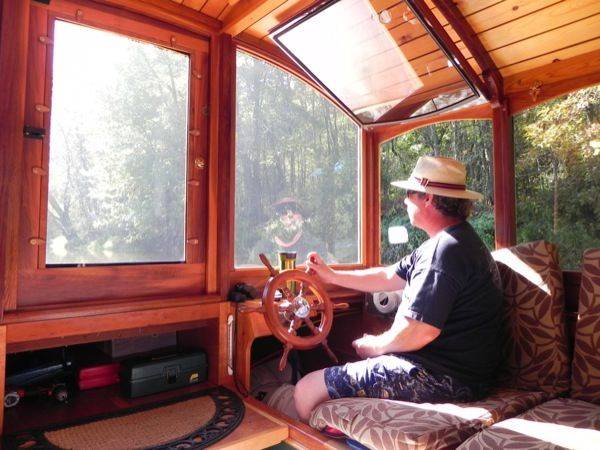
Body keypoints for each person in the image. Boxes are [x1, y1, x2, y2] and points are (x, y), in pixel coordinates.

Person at [293, 156, 503, 422]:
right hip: (463, 374)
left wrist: (376, 346)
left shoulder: (445, 250)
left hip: (443, 377)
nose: (404, 200)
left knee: (306, 390)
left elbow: (421, 331)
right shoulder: (454, 240)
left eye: (409, 193)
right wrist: (330, 275)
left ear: (428, 198)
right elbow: (387, 275)